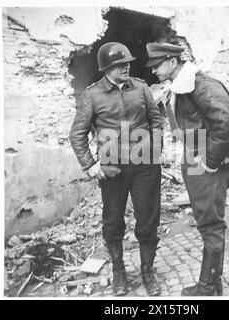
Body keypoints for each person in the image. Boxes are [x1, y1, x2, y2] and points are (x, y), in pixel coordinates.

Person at [146, 42, 229, 296]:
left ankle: (208, 286)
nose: (154, 71)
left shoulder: (200, 84)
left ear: (172, 62)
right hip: (196, 159)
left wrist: (210, 161)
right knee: (207, 222)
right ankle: (213, 282)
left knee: (211, 225)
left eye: (157, 65)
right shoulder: (183, 84)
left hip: (206, 165)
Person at [69, 42, 165, 296]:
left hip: (145, 166)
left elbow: (156, 121)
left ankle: (147, 271)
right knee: (113, 223)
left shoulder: (141, 88)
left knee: (148, 219)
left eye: (128, 63)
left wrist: (154, 151)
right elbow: (77, 134)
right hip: (112, 168)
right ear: (106, 68)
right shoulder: (91, 96)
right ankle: (119, 271)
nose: (127, 67)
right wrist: (90, 165)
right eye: (120, 64)